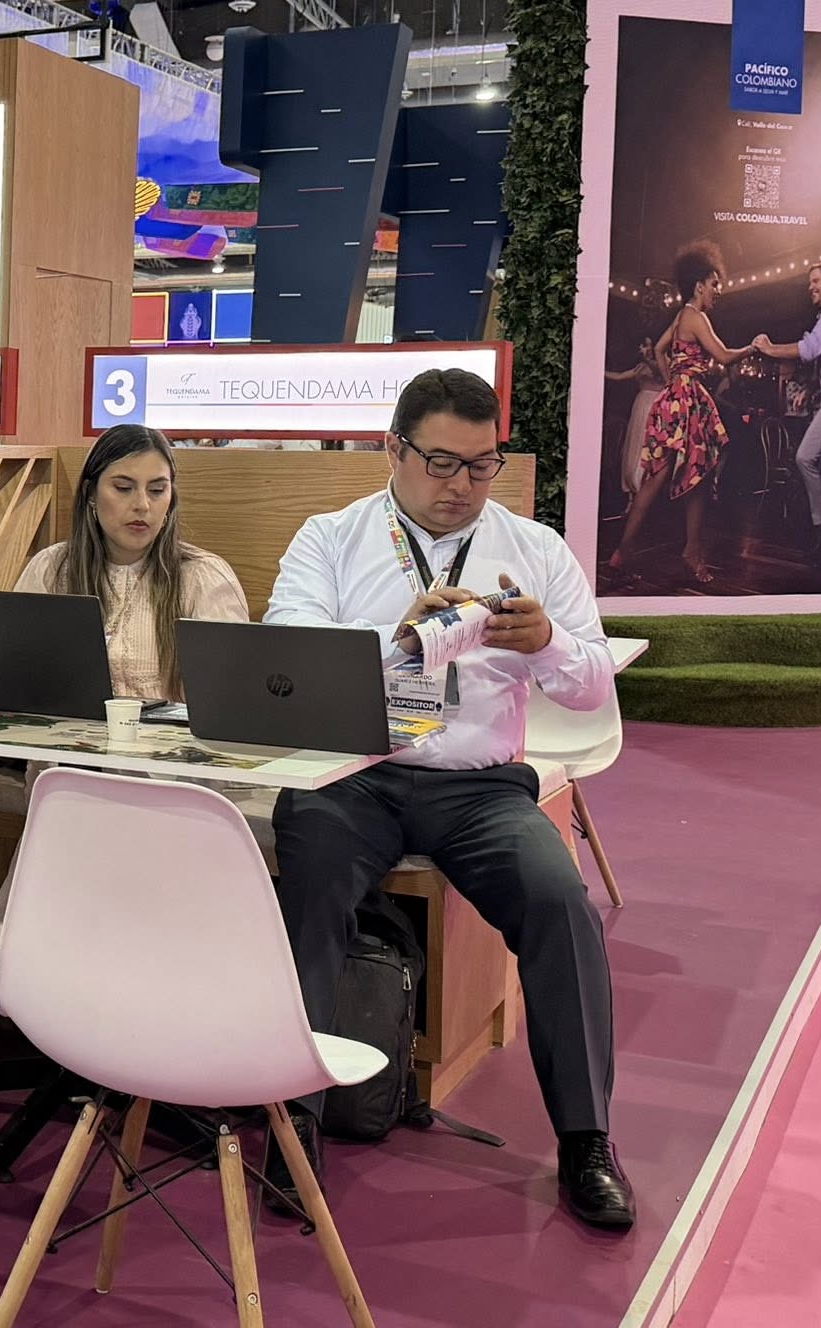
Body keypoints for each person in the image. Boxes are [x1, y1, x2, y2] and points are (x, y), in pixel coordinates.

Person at [265, 368, 630, 1231]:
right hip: (351, 774)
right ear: (393, 450)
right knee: (305, 887)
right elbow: (290, 662)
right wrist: (393, 647)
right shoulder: (331, 537)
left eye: (481, 465)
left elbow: (591, 692)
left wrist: (546, 646)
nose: (461, 486)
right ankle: (290, 1129)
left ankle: (586, 1139)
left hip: (479, 787)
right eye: (440, 462)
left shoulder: (534, 547)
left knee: (560, 900)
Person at [0, 424, 250, 1042]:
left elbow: (231, 714)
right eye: (124, 488)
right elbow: (13, 684)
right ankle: (108, 1029)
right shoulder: (51, 570)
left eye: (158, 490)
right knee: (74, 790)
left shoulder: (203, 577)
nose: (142, 506)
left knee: (91, 802)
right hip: (65, 767)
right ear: (91, 494)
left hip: (174, 777)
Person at [606, 241, 757, 584]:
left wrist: (670, 378)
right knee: (690, 477)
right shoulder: (695, 316)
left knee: (673, 478)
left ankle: (625, 553)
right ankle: (688, 553)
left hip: (676, 398)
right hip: (687, 400)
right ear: (700, 284)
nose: (719, 290)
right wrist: (753, 346)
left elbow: (660, 349)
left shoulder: (680, 317)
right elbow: (723, 355)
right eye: (715, 284)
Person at [755, 264, 821, 566]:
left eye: (816, 281)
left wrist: (770, 348)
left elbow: (813, 349)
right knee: (804, 457)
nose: (810, 286)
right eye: (809, 282)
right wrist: (809, 389)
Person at [603, 337, 666, 509]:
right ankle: (631, 494)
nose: (648, 348)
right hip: (640, 407)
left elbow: (662, 375)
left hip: (655, 406)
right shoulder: (640, 368)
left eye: (650, 345)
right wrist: (598, 370)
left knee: (648, 446)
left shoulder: (661, 363)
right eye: (645, 345)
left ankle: (645, 493)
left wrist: (649, 360)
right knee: (634, 445)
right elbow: (619, 376)